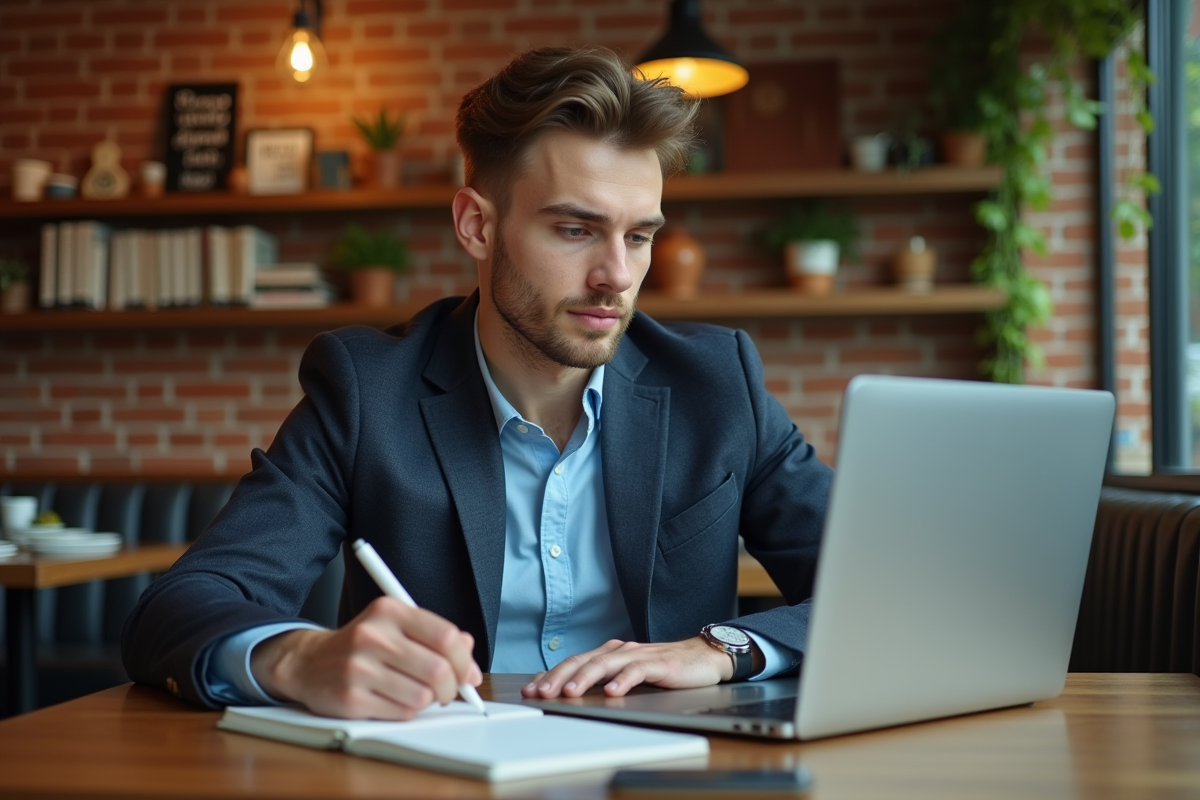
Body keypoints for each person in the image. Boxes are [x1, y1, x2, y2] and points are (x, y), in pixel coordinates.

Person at [122, 45, 832, 720]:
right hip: (444, 775)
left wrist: (725, 649)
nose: (616, 275)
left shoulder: (717, 384)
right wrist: (298, 657)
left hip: (667, 772)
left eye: (638, 236)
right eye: (575, 230)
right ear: (476, 227)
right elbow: (181, 606)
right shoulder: (367, 392)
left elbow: (889, 591)